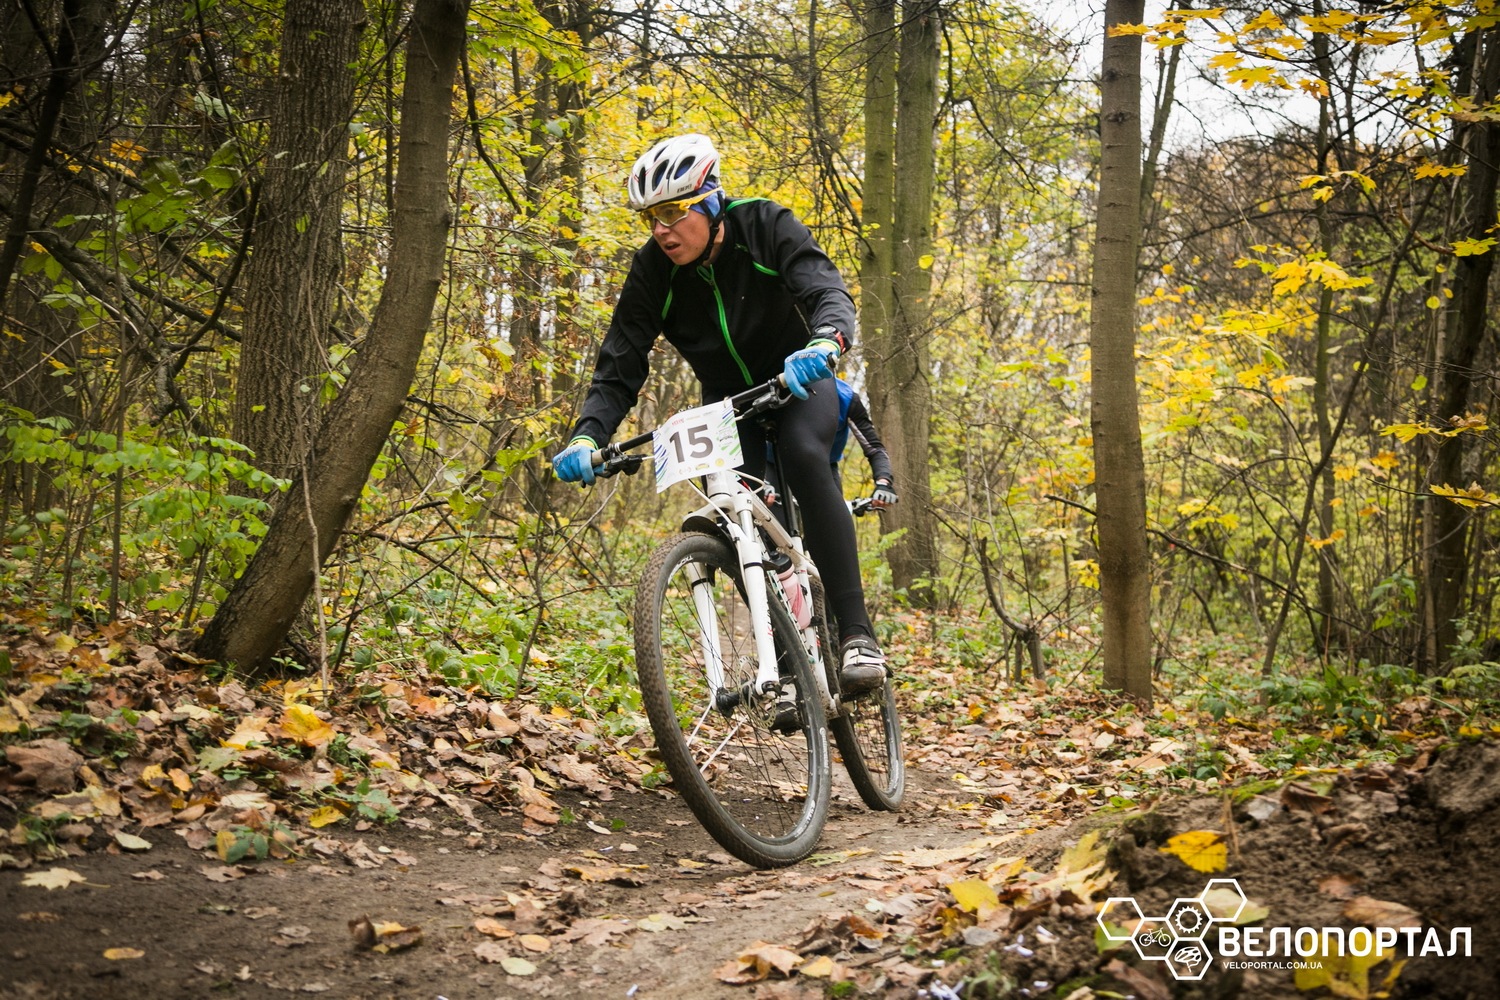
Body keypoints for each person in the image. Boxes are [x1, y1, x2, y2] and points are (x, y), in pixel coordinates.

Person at [551, 133, 887, 694]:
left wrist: (826, 340)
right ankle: (787, 664)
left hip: (799, 377)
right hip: (729, 402)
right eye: (650, 218)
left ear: (710, 202)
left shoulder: (765, 225)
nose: (661, 230)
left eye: (671, 212)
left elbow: (824, 287)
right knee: (735, 511)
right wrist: (588, 435)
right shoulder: (652, 270)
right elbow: (620, 363)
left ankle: (857, 634)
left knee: (804, 458)